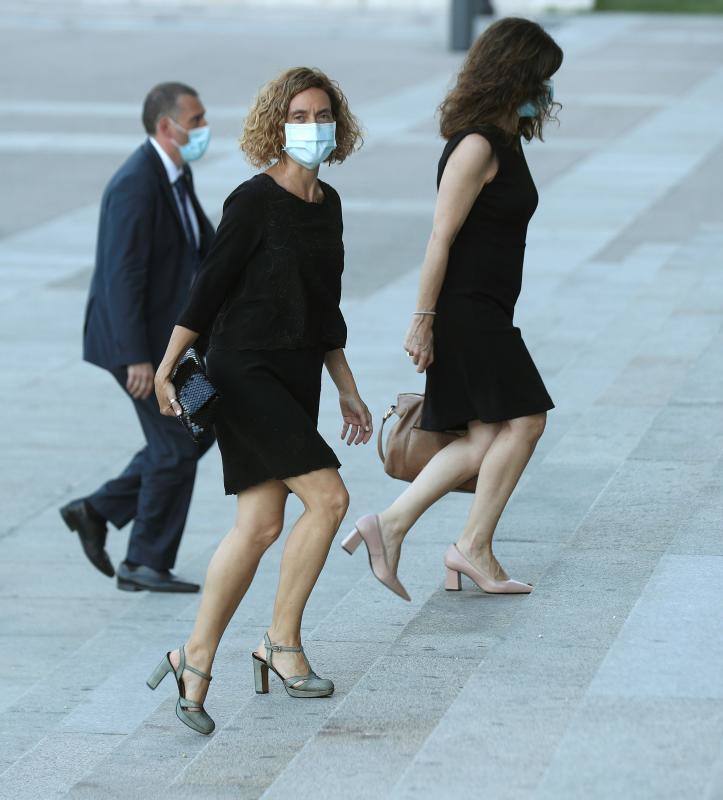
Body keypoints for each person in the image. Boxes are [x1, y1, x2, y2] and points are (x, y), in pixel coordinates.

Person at [148, 67, 372, 735]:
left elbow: (323, 308)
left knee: (260, 526)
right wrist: (166, 366)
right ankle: (281, 642)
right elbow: (207, 288)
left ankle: (194, 655)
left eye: (322, 115)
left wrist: (346, 387)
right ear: (276, 125)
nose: (312, 127)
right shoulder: (251, 199)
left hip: (298, 374)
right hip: (244, 372)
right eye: (299, 116)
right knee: (328, 499)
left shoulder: (326, 204)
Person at [343, 18, 561, 600]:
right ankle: (471, 546)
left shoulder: (502, 139)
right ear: (515, 75)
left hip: (486, 307)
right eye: (542, 79)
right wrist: (423, 318)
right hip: (466, 312)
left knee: (483, 437)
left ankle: (389, 526)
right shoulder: (476, 146)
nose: (548, 92)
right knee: (528, 419)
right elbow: (440, 237)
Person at [60, 82, 216, 593]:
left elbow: (200, 246)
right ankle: (144, 562)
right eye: (195, 121)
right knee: (176, 441)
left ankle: (98, 509)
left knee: (203, 422)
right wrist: (135, 359)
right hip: (142, 347)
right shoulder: (136, 183)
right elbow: (120, 276)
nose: (203, 128)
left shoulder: (176, 173)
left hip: (171, 343)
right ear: (166, 127)